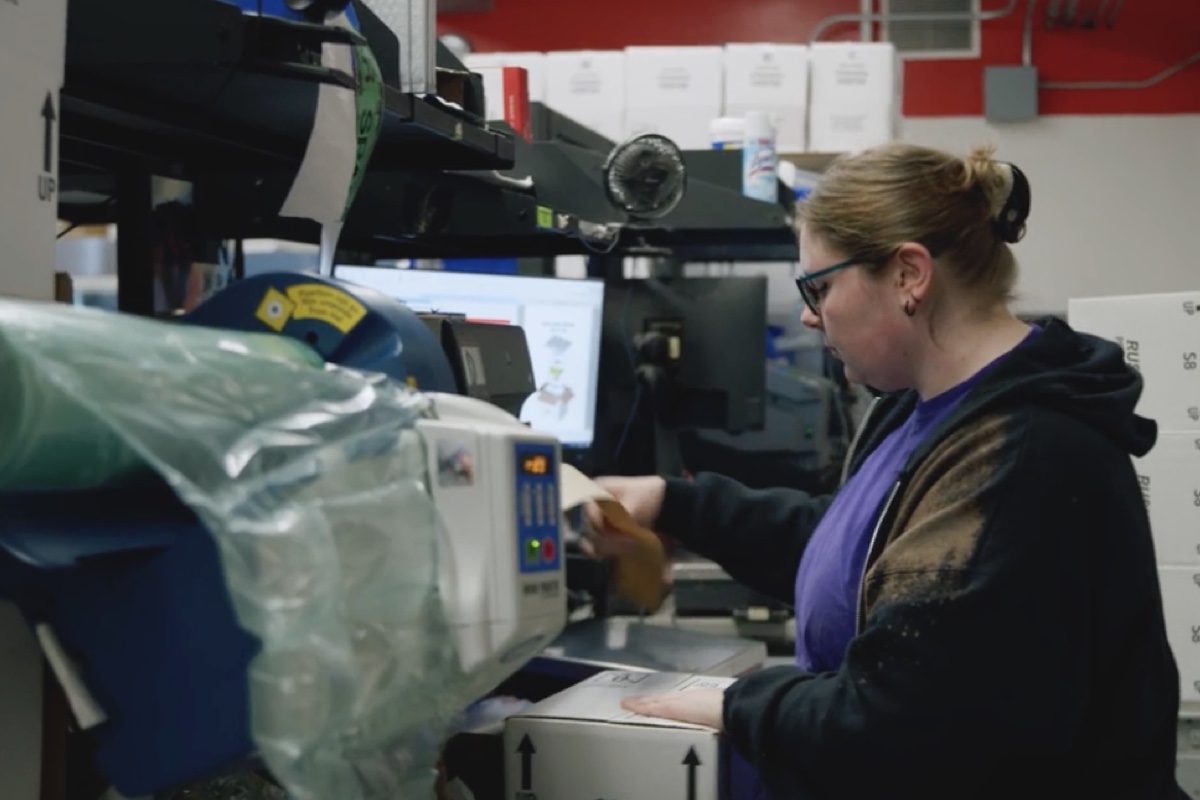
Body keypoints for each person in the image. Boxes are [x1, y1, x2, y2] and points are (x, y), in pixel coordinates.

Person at [584, 142, 1186, 799]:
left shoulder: (1022, 456)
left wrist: (737, 704)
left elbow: (894, 724)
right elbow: (862, 554)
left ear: (908, 275)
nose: (812, 315)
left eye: (820, 286)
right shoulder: (920, 408)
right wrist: (673, 504)